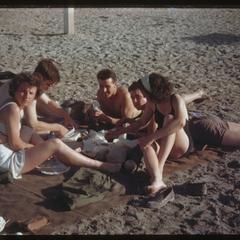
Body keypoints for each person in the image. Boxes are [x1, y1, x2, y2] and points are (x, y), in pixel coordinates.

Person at [0, 72, 121, 179]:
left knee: (28, 130)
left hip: (5, 148)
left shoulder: (13, 103)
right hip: (8, 162)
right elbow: (15, 144)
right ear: (15, 90)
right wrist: (35, 148)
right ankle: (100, 165)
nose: (26, 96)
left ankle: (53, 154)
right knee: (55, 143)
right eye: (23, 91)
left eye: (31, 93)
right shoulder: (13, 109)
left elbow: (48, 104)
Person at [106, 72, 195, 195]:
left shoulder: (175, 99)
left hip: (182, 145)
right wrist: (119, 131)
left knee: (169, 119)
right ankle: (157, 180)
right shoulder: (152, 104)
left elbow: (180, 123)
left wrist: (152, 137)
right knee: (145, 144)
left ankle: (160, 167)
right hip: (165, 145)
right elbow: (141, 122)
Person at [128, 81, 240, 149]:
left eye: (138, 97)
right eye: (132, 98)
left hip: (202, 128)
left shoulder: (153, 109)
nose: (134, 101)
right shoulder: (164, 102)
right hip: (200, 117)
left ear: (147, 97)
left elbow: (152, 134)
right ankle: (199, 93)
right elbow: (181, 99)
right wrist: (197, 94)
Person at [0, 58, 78, 138]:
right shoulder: (29, 92)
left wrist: (67, 117)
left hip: (7, 117)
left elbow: (49, 102)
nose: (48, 88)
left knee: (51, 115)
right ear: (39, 77)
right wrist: (59, 128)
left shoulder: (26, 81)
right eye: (48, 84)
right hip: (5, 129)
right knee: (49, 132)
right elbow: (33, 124)